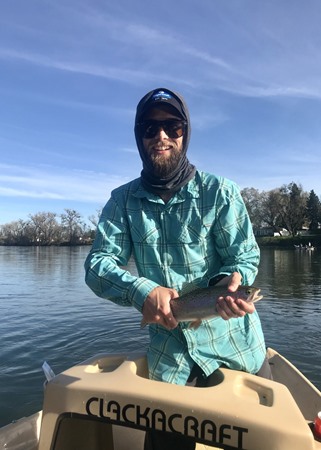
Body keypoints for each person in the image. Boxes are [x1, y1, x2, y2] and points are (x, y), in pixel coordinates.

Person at [84, 87, 270, 449]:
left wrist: (232, 284)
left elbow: (243, 257)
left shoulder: (221, 192)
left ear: (186, 132)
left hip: (238, 351)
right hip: (170, 363)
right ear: (139, 137)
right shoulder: (121, 202)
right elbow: (97, 265)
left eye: (173, 126)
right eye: (150, 128)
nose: (162, 136)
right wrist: (142, 291)